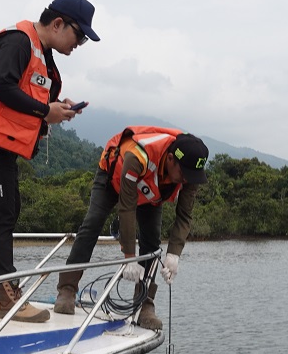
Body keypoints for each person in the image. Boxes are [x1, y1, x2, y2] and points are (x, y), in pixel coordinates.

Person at [0, 0, 100, 323]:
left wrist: (56, 107)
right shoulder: (19, 41)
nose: (80, 43)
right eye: (79, 35)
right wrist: (44, 110)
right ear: (58, 23)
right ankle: (4, 298)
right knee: (0, 212)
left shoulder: (42, 55)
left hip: (1, 145)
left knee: (7, 208)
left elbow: (29, 96)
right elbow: (0, 86)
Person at [54, 126, 209, 329]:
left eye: (192, 175)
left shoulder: (189, 171)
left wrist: (174, 255)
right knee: (92, 224)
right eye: (184, 173)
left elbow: (185, 215)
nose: (187, 179)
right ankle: (67, 289)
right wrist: (129, 257)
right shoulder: (139, 156)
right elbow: (127, 207)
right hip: (113, 181)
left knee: (152, 243)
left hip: (151, 194)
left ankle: (145, 305)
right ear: (171, 158)